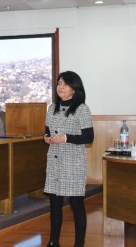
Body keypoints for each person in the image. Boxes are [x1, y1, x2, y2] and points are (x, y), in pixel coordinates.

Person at [43, 71, 94, 247]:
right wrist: (47, 137)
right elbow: (48, 131)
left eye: (65, 84)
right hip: (55, 160)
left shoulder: (82, 109)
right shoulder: (52, 108)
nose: (60, 87)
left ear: (74, 88)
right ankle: (53, 241)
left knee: (76, 204)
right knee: (54, 204)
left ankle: (79, 243)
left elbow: (89, 137)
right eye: (58, 83)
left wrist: (66, 138)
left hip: (73, 162)